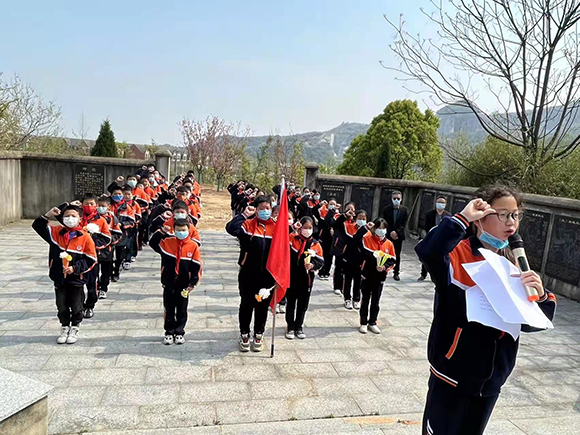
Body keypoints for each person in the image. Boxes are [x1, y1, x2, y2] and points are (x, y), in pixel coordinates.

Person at [415, 185, 557, 435]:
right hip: (451, 378)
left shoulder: (513, 263)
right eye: (502, 214)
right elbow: (428, 251)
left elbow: (531, 323)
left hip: (490, 384)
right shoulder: (456, 253)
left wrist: (542, 295)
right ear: (481, 216)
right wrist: (462, 218)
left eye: (515, 215)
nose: (511, 223)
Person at [32, 203, 97, 344]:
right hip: (59, 278)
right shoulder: (56, 233)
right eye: (67, 216)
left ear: (80, 219)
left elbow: (91, 258)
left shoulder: (85, 237)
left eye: (73, 216)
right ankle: (64, 326)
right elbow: (37, 226)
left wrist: (75, 268)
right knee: (61, 304)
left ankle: (75, 327)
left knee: (76, 305)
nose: (70, 218)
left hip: (77, 279)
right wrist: (49, 214)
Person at [226, 195, 276, 353]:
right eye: (261, 208)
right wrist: (244, 215)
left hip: (267, 275)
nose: (264, 211)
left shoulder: (276, 228)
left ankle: (259, 334)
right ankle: (244, 334)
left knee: (262, 306)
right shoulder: (248, 225)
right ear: (256, 209)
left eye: (267, 208)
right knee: (246, 304)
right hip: (248, 272)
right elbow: (231, 229)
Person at [150, 219, 201, 345]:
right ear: (174, 230)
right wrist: (162, 231)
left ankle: (179, 331)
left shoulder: (193, 246)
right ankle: (169, 332)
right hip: (169, 282)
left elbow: (196, 266)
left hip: (184, 284)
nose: (181, 232)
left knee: (182, 308)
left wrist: (192, 283)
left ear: (189, 230)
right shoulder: (167, 243)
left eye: (183, 230)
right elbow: (152, 243)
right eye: (178, 230)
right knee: (169, 308)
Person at [285, 217, 324, 340]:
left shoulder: (316, 244)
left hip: (307, 279)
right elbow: (281, 240)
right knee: (291, 302)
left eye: (310, 228)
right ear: (300, 227)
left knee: (303, 304)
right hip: (292, 276)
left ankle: (299, 326)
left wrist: (312, 265)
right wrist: (292, 229)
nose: (307, 230)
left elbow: (321, 261)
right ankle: (290, 326)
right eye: (305, 227)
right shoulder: (292, 238)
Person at [358, 219, 396, 334]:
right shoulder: (367, 239)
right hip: (367, 274)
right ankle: (363, 322)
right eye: (378, 228)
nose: (381, 231)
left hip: (380, 277)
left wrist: (384, 267)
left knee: (376, 301)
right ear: (374, 229)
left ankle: (373, 322)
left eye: (383, 228)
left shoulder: (389, 244)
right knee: (365, 299)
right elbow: (358, 243)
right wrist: (365, 228)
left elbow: (392, 260)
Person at [80, 193, 112, 318]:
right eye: (86, 204)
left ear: (96, 205)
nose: (89, 206)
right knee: (77, 284)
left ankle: (90, 305)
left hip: (92, 256)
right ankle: (79, 306)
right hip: (77, 256)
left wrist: (92, 243)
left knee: (92, 284)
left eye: (92, 204)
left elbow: (107, 237)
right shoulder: (77, 217)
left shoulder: (101, 220)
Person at [419, 195, 451, 281]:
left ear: (446, 204)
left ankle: (438, 275)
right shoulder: (430, 214)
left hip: (442, 240)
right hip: (431, 237)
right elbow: (426, 226)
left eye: (442, 203)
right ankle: (423, 274)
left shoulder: (448, 215)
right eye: (439, 202)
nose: (440, 204)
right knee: (427, 256)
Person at [327, 202, 357, 296]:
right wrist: (344, 216)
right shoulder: (339, 218)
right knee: (339, 267)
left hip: (350, 248)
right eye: (348, 209)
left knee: (347, 269)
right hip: (340, 246)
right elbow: (333, 223)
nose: (350, 211)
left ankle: (345, 288)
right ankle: (337, 286)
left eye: (352, 209)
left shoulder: (356, 221)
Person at [342, 209, 368, 310]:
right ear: (355, 219)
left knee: (358, 280)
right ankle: (347, 298)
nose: (361, 220)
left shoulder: (368, 231)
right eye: (359, 218)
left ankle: (356, 299)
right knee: (348, 279)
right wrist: (362, 231)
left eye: (364, 219)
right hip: (349, 257)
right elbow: (352, 240)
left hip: (361, 259)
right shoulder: (349, 227)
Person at [96, 196, 121, 298]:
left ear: (109, 207)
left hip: (107, 250)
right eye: (99, 206)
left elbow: (118, 233)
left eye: (103, 206)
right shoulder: (92, 218)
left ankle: (103, 288)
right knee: (94, 271)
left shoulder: (112, 219)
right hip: (94, 249)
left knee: (106, 271)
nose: (100, 208)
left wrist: (111, 241)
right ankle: (96, 288)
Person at [382, 190, 409, 281]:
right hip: (389, 235)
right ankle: (384, 270)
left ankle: (396, 272)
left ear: (401, 199)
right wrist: (390, 232)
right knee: (385, 253)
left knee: (397, 254)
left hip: (398, 236)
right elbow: (385, 222)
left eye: (398, 198)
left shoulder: (404, 210)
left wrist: (396, 232)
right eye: (394, 198)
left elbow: (404, 224)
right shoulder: (386, 209)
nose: (396, 200)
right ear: (391, 199)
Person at [314, 198, 339, 280]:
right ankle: (321, 271)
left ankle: (327, 272)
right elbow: (314, 211)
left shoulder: (337, 215)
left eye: (334, 204)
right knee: (323, 254)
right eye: (331, 203)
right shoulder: (322, 212)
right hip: (323, 236)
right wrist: (320, 204)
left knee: (330, 256)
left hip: (332, 238)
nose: (332, 205)